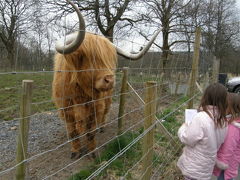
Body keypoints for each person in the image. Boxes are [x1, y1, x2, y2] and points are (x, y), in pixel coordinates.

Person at [177, 83, 228, 180]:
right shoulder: (223, 120)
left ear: (206, 97)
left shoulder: (201, 118)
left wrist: (184, 127)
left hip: (194, 167)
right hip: (206, 167)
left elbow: (187, 139)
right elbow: (220, 141)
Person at [213, 93, 240, 180]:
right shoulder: (233, 120)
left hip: (226, 165)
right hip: (230, 162)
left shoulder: (233, 128)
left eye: (224, 104)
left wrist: (221, 162)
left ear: (230, 107)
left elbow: (228, 147)